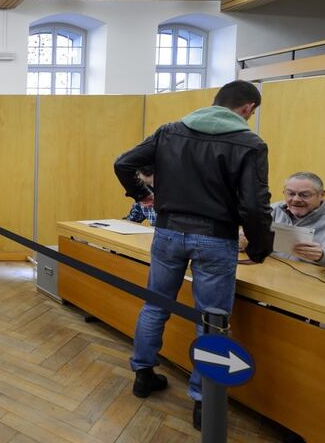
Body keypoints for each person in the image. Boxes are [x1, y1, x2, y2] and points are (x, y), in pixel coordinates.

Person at [114, 80, 273, 431]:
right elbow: (254, 203)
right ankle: (204, 402)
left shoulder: (170, 131)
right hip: (216, 238)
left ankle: (143, 374)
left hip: (168, 232)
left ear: (216, 102)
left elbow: (123, 163)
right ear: (247, 109)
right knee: (212, 319)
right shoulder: (249, 142)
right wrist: (261, 246)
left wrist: (140, 195)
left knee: (155, 305)